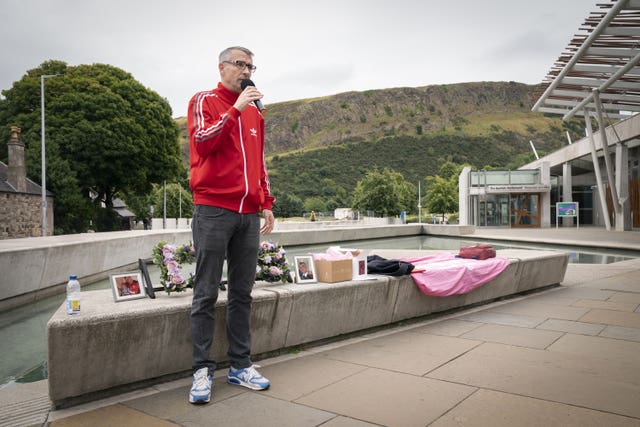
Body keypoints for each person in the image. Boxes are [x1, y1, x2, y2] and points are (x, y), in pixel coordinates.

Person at [187, 46, 275, 404]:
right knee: (206, 292)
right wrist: (234, 110)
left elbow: (260, 161)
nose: (246, 71)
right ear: (222, 67)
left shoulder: (255, 112)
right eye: (240, 64)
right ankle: (202, 370)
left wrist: (266, 203)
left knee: (242, 293)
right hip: (213, 210)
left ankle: (240, 366)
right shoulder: (204, 100)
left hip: (248, 215)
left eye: (251, 66)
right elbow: (202, 143)